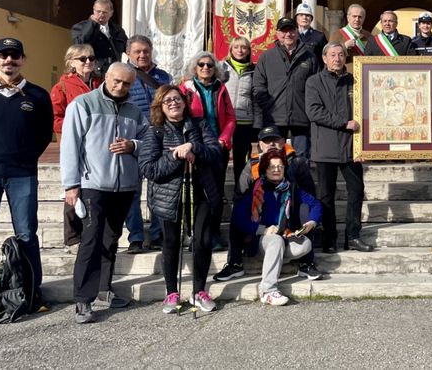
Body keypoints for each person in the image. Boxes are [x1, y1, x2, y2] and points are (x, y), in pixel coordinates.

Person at [60, 63, 146, 323]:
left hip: (124, 186)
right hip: (92, 185)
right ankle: (83, 300)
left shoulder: (134, 110)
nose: (121, 87)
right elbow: (70, 145)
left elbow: (149, 140)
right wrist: (71, 185)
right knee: (91, 239)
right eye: (117, 81)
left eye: (127, 83)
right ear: (106, 78)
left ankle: (103, 290)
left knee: (111, 239)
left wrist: (133, 145)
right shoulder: (83, 104)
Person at [0, 38, 52, 305]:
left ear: (23, 60)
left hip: (22, 174)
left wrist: (26, 157)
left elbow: (43, 134)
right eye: (3, 55)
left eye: (14, 56)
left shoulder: (38, 96)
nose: (9, 60)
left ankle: (31, 290)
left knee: (27, 233)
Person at [138, 85, 222, 313]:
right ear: (160, 107)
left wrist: (194, 147)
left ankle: (199, 290)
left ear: (185, 102)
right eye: (167, 101)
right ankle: (171, 292)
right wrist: (175, 156)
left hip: (200, 192)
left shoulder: (199, 125)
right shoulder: (155, 131)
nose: (173, 103)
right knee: (171, 242)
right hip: (168, 196)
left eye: (177, 99)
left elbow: (215, 152)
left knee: (202, 241)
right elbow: (148, 168)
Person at [215, 125, 321, 281]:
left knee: (305, 208)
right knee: (239, 209)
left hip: (290, 217)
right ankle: (234, 263)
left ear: (283, 141)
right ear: (260, 145)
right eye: (266, 141)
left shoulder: (296, 162)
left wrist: (311, 220)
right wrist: (258, 227)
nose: (271, 144)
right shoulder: (252, 165)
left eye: (275, 140)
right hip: (261, 223)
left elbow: (310, 194)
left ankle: (307, 263)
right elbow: (239, 195)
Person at [230, 150, 322, 306]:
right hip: (259, 241)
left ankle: (275, 260)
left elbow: (316, 204)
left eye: (280, 166)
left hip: (281, 237)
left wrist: (311, 222)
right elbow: (237, 218)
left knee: (305, 243)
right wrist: (262, 230)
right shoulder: (256, 189)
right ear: (265, 169)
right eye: (272, 167)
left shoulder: (291, 189)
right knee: (275, 241)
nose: (276, 170)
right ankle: (268, 291)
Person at [306, 42, 371, 252]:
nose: (337, 58)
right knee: (326, 195)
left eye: (341, 54)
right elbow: (314, 111)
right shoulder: (314, 82)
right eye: (332, 55)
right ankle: (329, 239)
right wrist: (344, 123)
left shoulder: (355, 81)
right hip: (325, 148)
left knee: (357, 190)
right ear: (324, 58)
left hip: (352, 147)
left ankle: (352, 236)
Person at [180, 51, 235, 251]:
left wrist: (224, 139)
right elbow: (178, 114)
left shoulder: (221, 88)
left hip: (216, 148)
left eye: (210, 65)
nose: (205, 68)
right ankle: (196, 235)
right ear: (195, 68)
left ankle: (213, 233)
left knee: (216, 193)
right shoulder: (185, 88)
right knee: (196, 194)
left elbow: (230, 117)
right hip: (195, 147)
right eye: (201, 65)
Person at [50, 43, 102, 255]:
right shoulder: (61, 87)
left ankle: (92, 232)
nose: (88, 62)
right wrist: (78, 125)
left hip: (97, 145)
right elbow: (55, 118)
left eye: (91, 58)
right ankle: (72, 237)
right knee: (73, 188)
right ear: (71, 62)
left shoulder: (101, 83)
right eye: (82, 59)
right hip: (73, 144)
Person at [124, 35, 172, 252]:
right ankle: (135, 236)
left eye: (146, 51)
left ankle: (156, 233)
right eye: (137, 52)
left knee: (158, 190)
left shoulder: (163, 77)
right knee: (132, 191)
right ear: (128, 54)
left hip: (159, 139)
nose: (142, 55)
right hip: (132, 139)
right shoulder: (122, 75)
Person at [253, 17, 320, 158]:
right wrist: (269, 107)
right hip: (274, 118)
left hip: (301, 117)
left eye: (291, 30)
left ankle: (297, 181)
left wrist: (309, 108)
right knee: (274, 158)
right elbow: (258, 87)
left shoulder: (310, 57)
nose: (288, 34)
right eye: (284, 31)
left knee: (301, 159)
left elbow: (316, 87)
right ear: (277, 34)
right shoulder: (266, 57)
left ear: (297, 32)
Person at [218, 37, 261, 196]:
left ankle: (240, 191)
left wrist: (257, 124)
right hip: (225, 122)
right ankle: (219, 193)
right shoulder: (222, 68)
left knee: (241, 161)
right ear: (231, 49)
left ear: (249, 51)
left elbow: (256, 99)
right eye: (236, 47)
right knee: (221, 159)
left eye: (244, 47)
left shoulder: (254, 70)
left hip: (245, 121)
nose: (240, 50)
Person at [71, 0, 127, 75]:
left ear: (111, 13)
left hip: (114, 73)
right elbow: (80, 44)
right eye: (98, 11)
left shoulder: (117, 30)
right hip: (93, 74)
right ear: (93, 11)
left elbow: (128, 49)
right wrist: (92, 24)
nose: (101, 14)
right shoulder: (80, 27)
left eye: (104, 12)